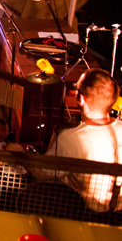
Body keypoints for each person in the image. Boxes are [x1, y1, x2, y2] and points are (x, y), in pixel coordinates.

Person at [46, 68, 122, 214]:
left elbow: (45, 173)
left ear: (81, 99)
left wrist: (20, 154)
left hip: (87, 214)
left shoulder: (71, 139)